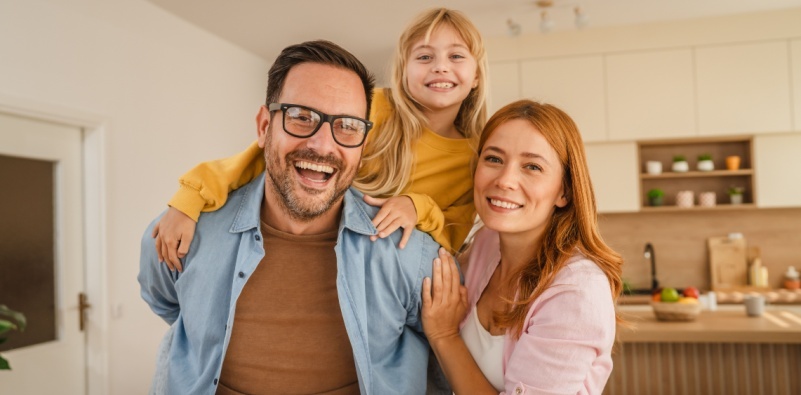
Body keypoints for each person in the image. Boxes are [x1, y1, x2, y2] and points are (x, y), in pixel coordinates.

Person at [138, 40, 443, 395]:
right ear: (265, 125)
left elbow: (445, 355)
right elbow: (164, 299)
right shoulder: (185, 232)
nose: (323, 145)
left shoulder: (409, 251)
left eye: (347, 126)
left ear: (363, 142)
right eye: (301, 117)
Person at [151, 8, 489, 271]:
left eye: (456, 56)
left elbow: (450, 243)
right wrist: (191, 196)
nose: (440, 67)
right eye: (425, 57)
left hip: (379, 269)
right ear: (403, 70)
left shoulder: (475, 157)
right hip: (308, 245)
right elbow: (268, 156)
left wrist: (418, 206)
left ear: (476, 75)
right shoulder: (373, 107)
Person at [421, 100, 623, 394]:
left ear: (564, 191)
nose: (505, 180)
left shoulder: (576, 292)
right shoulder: (485, 244)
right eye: (493, 159)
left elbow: (444, 330)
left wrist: (444, 335)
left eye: (532, 166)